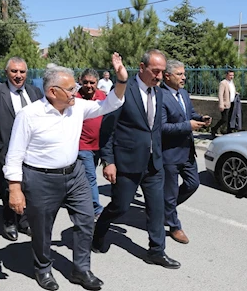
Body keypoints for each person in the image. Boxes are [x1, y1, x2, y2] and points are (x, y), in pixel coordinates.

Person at [6, 55, 128, 291]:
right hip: (40, 179)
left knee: (85, 221)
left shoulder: (78, 107)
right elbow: (14, 155)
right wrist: (14, 189)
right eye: (71, 88)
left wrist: (121, 79)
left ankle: (81, 270)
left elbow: (109, 104)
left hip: (75, 175)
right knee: (42, 229)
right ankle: (43, 268)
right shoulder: (29, 115)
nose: (76, 91)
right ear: (53, 92)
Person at [93, 49, 180, 269]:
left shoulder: (159, 93)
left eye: (162, 72)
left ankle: (157, 251)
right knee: (120, 207)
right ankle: (100, 230)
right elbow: (108, 128)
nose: (159, 76)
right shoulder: (124, 90)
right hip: (127, 162)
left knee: (156, 209)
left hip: (154, 164)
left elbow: (156, 129)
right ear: (141, 68)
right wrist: (109, 161)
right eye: (155, 71)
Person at [0, 57, 43, 241]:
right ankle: (9, 222)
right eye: (14, 71)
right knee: (7, 190)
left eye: (22, 72)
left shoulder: (35, 92)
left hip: (32, 153)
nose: (18, 75)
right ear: (6, 72)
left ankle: (24, 221)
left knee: (28, 189)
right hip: (4, 152)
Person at [160, 60, 210, 244]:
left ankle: (165, 208)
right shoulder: (160, 96)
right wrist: (187, 126)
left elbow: (189, 113)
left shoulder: (183, 93)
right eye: (179, 74)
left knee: (192, 184)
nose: (184, 77)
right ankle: (174, 225)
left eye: (184, 74)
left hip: (187, 151)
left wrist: (201, 118)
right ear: (167, 76)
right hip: (170, 154)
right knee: (171, 193)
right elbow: (161, 127)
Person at [76, 69, 107, 219]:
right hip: (83, 145)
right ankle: (96, 209)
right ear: (80, 81)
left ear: (97, 82)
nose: (88, 85)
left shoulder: (103, 96)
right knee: (91, 177)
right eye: (85, 82)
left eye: (92, 82)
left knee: (87, 176)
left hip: (100, 145)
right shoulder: (74, 98)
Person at [211, 70, 236, 136]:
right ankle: (214, 129)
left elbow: (231, 91)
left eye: (233, 75)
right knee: (224, 119)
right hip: (225, 103)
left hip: (232, 102)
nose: (232, 77)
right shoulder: (223, 83)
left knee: (230, 118)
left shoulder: (231, 82)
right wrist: (221, 104)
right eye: (230, 75)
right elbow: (220, 94)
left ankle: (228, 131)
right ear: (227, 75)